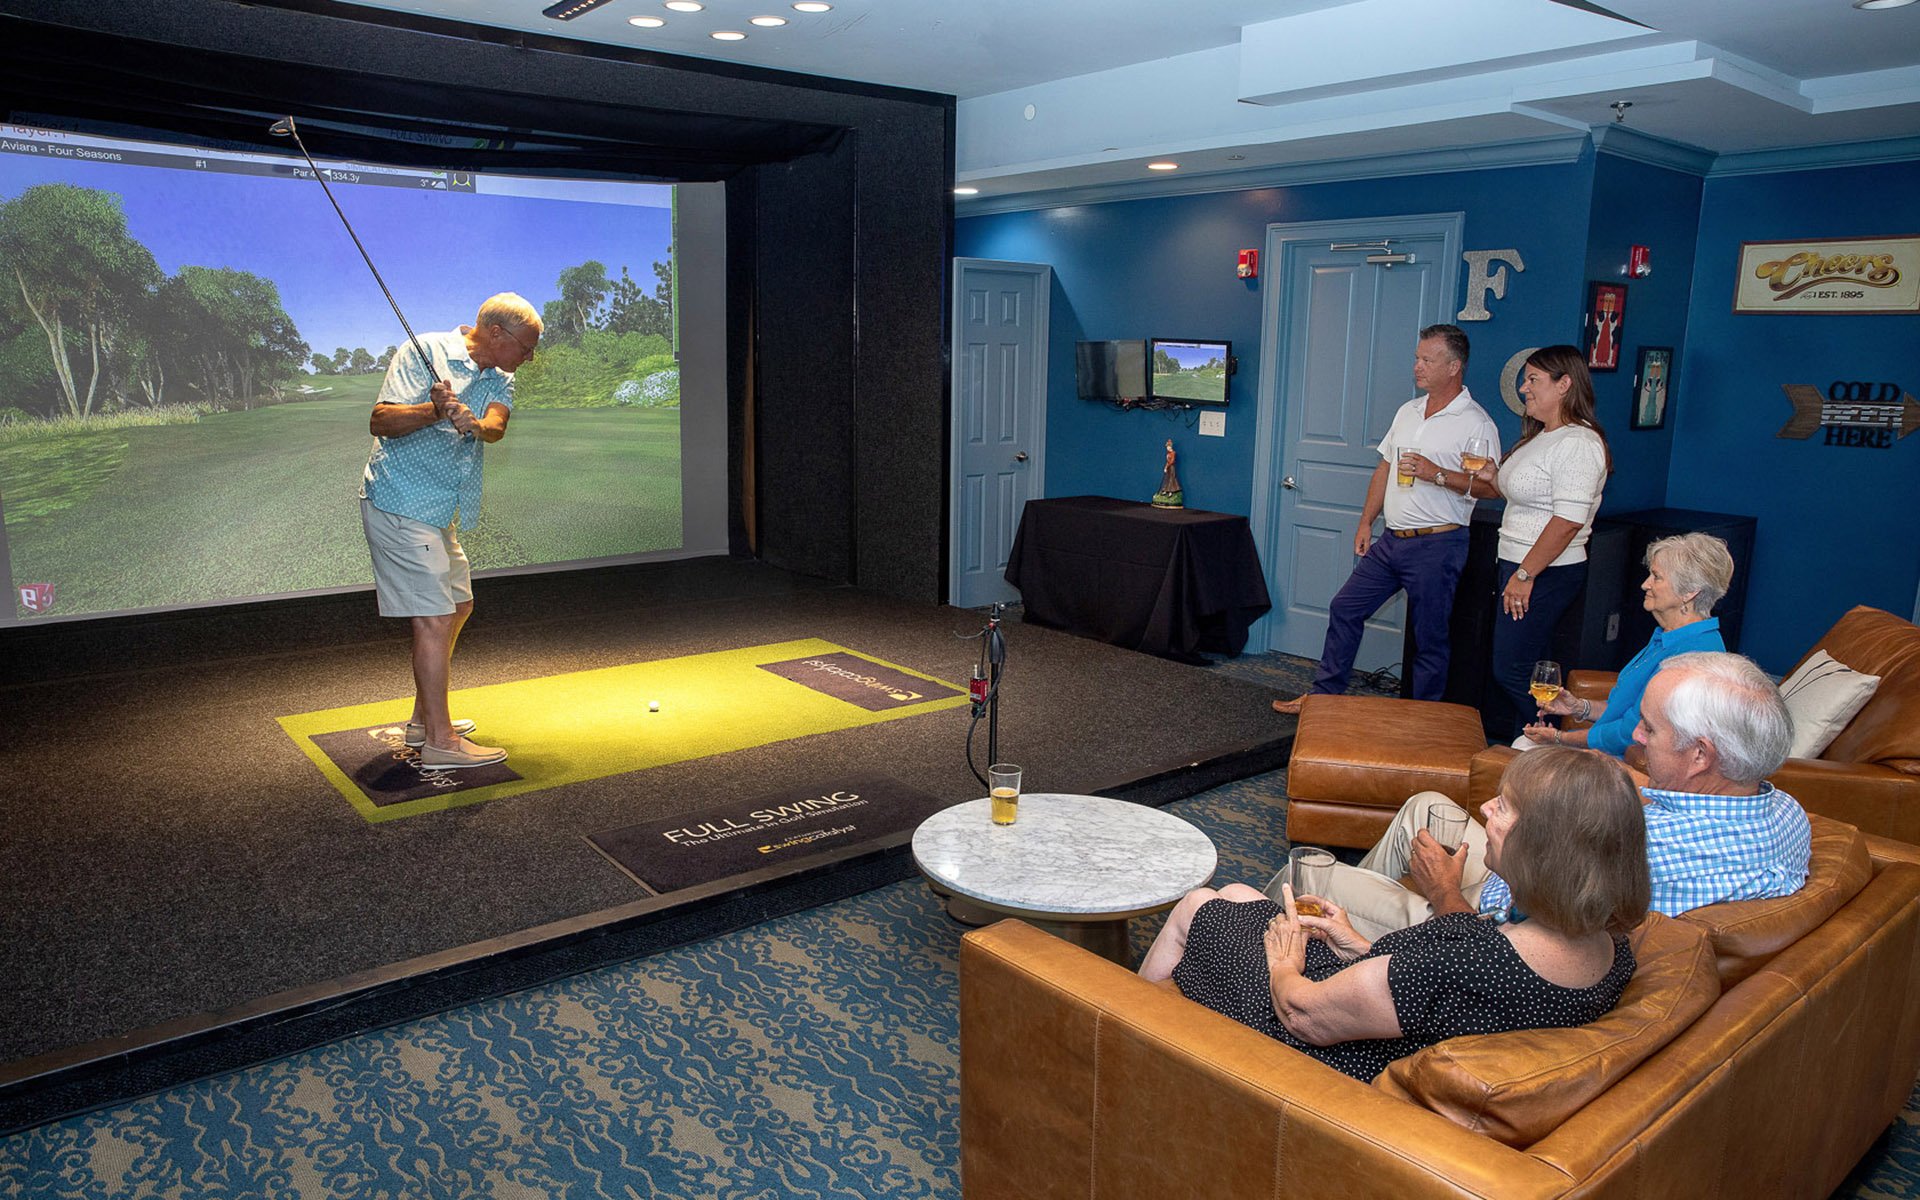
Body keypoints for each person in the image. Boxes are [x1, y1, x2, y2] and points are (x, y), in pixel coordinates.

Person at [1138, 747, 1646, 1083]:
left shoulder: (1473, 967)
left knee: (1199, 905)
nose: (1487, 808)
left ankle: (1119, 1025)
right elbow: (1446, 988)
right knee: (1242, 891)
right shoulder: (1609, 947)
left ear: (1543, 849)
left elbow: (1304, 1015)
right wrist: (1361, 945)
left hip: (1331, 1059)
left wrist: (1284, 964)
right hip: (1387, 1023)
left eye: (1506, 807)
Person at [1313, 651, 1810, 941]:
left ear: (1700, 756)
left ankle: (1363, 937)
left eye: (1651, 729)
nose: (1635, 736)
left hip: (1479, 928)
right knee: (1428, 806)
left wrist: (1442, 889)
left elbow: (1510, 949)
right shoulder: (1787, 811)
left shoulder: (1635, 844)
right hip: (1530, 881)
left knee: (1311, 870)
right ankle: (1359, 940)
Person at [1272, 325, 1500, 714]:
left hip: (1438, 544)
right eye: (1417, 358)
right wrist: (1366, 523)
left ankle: (1420, 720)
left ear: (1454, 367)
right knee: (1345, 607)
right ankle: (1324, 700)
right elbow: (1384, 469)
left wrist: (1437, 474)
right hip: (1391, 541)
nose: (1417, 366)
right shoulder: (1408, 411)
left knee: (1428, 638)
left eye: (1427, 360)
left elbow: (1490, 488)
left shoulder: (1476, 423)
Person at [359, 293, 542, 769]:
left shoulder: (501, 376)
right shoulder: (424, 350)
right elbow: (380, 420)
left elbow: (497, 426)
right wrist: (433, 411)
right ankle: (440, 743)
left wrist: (474, 424)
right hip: (401, 501)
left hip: (442, 508)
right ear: (497, 334)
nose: (530, 356)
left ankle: (423, 722)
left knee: (459, 605)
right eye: (527, 346)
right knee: (436, 617)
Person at [1472, 344, 1609, 742]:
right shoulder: (1542, 436)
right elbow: (1513, 491)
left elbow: (1567, 520)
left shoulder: (1578, 443)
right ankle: (1530, 744)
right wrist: (1492, 474)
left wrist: (1526, 573)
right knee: (1530, 666)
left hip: (1545, 571)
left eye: (1533, 379)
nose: (1524, 388)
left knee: (1511, 668)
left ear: (1564, 384)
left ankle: (1556, 739)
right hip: (1518, 564)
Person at [1520, 532, 1732, 756]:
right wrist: (1579, 707)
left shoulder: (1692, 655)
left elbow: (1630, 733)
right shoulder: (1669, 636)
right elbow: (1622, 710)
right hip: (1607, 755)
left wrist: (1559, 738)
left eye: (1656, 577)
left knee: (1522, 750)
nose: (1644, 584)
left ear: (1689, 593)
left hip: (1621, 769)